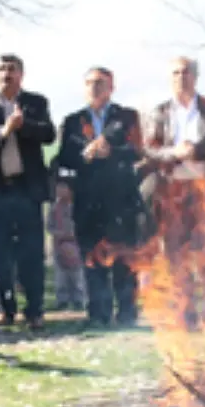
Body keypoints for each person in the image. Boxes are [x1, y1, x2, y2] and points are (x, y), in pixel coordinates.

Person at [138, 56, 205, 327]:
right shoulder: (160, 113)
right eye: (176, 73)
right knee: (175, 255)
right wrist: (174, 152)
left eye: (186, 72)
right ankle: (185, 314)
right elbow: (149, 151)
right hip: (173, 193)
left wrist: (197, 149)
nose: (181, 77)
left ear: (195, 76)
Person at [0, 54, 56, 331]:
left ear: (21, 74)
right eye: (2, 69)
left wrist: (22, 125)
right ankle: (5, 308)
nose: (7, 74)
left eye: (12, 69)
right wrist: (2, 131)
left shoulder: (35, 102)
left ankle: (35, 310)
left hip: (27, 191)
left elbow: (49, 134)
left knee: (31, 253)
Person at [53, 66, 144, 327]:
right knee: (92, 258)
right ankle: (98, 314)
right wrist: (85, 154)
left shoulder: (126, 117)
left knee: (124, 258)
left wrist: (109, 152)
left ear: (111, 87)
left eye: (101, 83)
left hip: (121, 199)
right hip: (88, 200)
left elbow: (136, 151)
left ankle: (126, 312)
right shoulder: (73, 121)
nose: (95, 88)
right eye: (90, 83)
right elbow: (65, 156)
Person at [48, 177, 86, 311]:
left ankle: (78, 298)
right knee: (61, 275)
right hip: (59, 244)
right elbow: (50, 226)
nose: (60, 191)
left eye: (63, 188)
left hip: (75, 243)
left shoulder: (77, 206)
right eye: (58, 188)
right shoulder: (54, 207)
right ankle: (62, 299)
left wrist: (74, 233)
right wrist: (58, 233)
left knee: (77, 274)